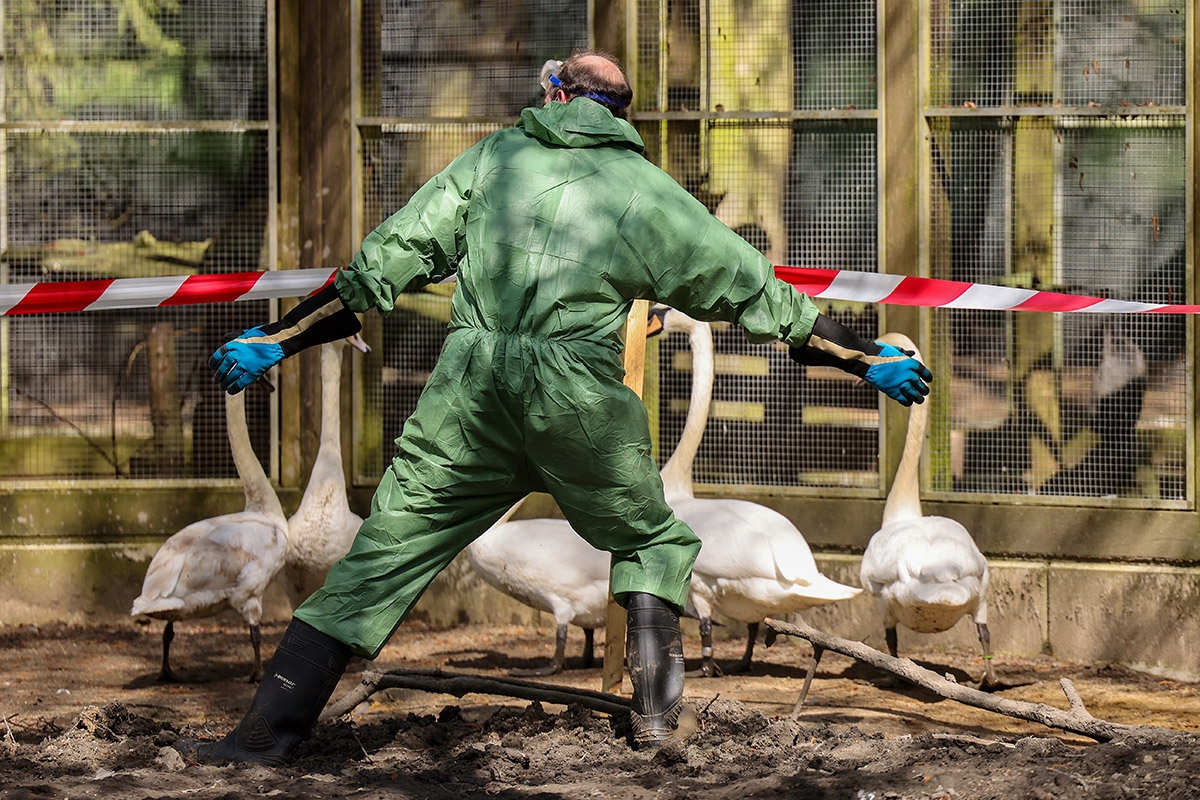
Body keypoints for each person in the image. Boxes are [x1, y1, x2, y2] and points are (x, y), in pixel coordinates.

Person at [190, 49, 932, 765]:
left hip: (468, 402)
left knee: (377, 558)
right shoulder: (649, 195)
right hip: (578, 405)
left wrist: (278, 338)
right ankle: (655, 727)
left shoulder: (492, 162)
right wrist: (865, 358)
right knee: (648, 542)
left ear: (553, 94)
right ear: (618, 116)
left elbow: (378, 268)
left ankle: (260, 740)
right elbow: (763, 299)